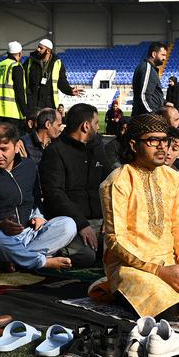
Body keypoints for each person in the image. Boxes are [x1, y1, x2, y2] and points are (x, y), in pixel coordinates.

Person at [90, 114, 179, 318]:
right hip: (132, 266)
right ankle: (118, 289)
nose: (162, 147)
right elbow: (115, 240)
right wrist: (159, 271)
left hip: (171, 262)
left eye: (165, 140)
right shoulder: (117, 182)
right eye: (153, 140)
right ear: (134, 145)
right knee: (165, 308)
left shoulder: (172, 176)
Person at [0, 122, 74, 271]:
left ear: (16, 146)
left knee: (68, 224)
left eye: (3, 149)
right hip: (2, 236)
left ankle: (18, 259)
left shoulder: (28, 166)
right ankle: (41, 262)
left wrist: (38, 216)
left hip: (29, 234)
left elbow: (35, 200)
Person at [41, 103, 111, 267]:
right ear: (86, 126)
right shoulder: (55, 152)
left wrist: (110, 218)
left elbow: (110, 184)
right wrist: (81, 224)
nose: (98, 127)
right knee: (86, 256)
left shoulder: (97, 148)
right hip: (72, 223)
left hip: (101, 221)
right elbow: (54, 194)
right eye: (95, 123)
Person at [24, 39, 80, 114]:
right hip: (32, 104)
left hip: (49, 104)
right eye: (38, 47)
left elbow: (62, 82)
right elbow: (23, 79)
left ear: (48, 51)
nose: (38, 49)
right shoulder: (29, 61)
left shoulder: (57, 63)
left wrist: (70, 90)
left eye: (41, 48)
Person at [0, 40, 30, 125]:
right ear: (20, 54)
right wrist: (25, 112)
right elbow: (19, 91)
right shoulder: (16, 66)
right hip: (13, 113)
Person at [131, 42, 167, 117]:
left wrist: (165, 102)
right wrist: (152, 115)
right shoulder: (147, 68)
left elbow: (154, 94)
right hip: (145, 119)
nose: (164, 58)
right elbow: (143, 95)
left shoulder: (151, 69)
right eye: (163, 55)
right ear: (154, 54)